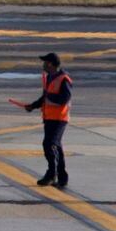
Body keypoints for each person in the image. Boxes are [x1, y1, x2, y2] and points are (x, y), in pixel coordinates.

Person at [20, 51, 72, 188]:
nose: (43, 64)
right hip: (49, 117)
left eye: (45, 62)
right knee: (56, 146)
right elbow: (45, 97)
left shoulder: (63, 79)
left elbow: (65, 99)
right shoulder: (50, 77)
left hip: (59, 119)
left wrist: (50, 98)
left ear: (50, 64)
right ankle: (62, 177)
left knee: (49, 144)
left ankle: (51, 174)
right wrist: (33, 106)